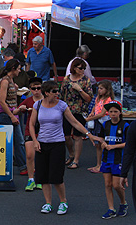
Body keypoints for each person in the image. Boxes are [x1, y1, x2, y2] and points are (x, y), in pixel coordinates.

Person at [29, 81, 96, 215]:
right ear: (47, 93)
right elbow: (31, 124)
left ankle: (63, 201)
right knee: (43, 176)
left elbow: (74, 122)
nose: (57, 93)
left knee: (57, 176)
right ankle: (48, 203)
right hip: (42, 143)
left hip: (57, 144)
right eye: (54, 91)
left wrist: (89, 134)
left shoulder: (61, 105)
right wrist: (35, 141)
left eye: (58, 91)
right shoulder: (38, 105)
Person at [0, 59, 27, 175]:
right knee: (8, 142)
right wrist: (12, 116)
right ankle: (6, 166)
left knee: (19, 141)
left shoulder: (10, 80)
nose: (19, 70)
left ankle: (22, 166)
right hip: (5, 114)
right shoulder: (5, 81)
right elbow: (2, 101)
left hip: (12, 112)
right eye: (18, 68)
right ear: (13, 69)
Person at [96, 102, 129, 219]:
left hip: (118, 159)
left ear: (120, 112)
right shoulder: (105, 124)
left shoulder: (125, 126)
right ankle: (111, 208)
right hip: (106, 159)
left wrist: (113, 146)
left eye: (115, 111)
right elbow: (100, 137)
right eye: (111, 112)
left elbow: (128, 143)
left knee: (116, 185)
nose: (113, 114)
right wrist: (103, 143)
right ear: (108, 113)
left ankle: (123, 203)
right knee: (107, 184)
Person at [60, 58, 93, 169]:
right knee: (66, 135)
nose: (82, 70)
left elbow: (89, 98)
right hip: (67, 110)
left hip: (80, 110)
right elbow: (61, 94)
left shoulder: (86, 81)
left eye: (84, 68)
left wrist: (80, 90)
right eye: (80, 68)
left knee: (78, 136)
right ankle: (71, 154)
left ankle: (76, 160)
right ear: (74, 68)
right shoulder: (66, 79)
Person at [18, 77, 43, 191]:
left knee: (41, 155)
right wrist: (21, 108)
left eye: (38, 88)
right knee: (29, 155)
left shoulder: (46, 100)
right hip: (30, 129)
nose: (36, 90)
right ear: (30, 89)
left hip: (44, 130)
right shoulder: (28, 100)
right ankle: (31, 179)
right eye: (34, 88)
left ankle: (40, 179)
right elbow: (15, 110)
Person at [85, 80, 115, 173]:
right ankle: (98, 164)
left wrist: (89, 119)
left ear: (107, 89)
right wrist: (91, 113)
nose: (99, 90)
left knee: (103, 144)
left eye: (101, 89)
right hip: (97, 122)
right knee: (97, 144)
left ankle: (102, 165)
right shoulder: (98, 97)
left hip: (103, 122)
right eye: (98, 88)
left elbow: (102, 114)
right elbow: (95, 107)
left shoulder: (108, 100)